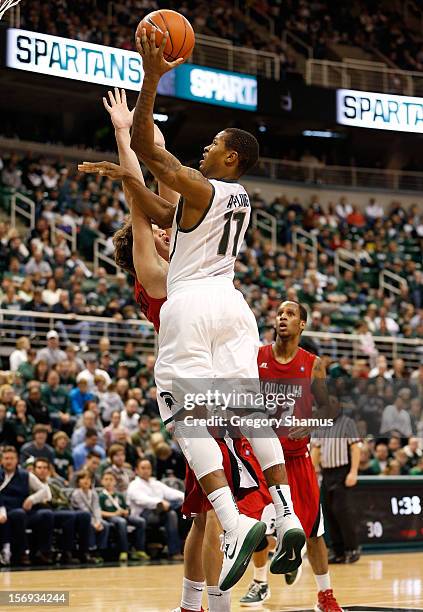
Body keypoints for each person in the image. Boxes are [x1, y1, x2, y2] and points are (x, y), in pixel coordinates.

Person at [80, 42, 305, 588]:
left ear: (229, 157)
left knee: (185, 414)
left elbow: (151, 155)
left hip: (194, 304)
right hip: (234, 305)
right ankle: (286, 512)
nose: (203, 149)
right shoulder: (234, 200)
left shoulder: (201, 187)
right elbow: (156, 206)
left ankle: (233, 524)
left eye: (211, 145)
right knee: (249, 413)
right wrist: (125, 175)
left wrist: (150, 79)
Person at [240, 301, 342, 611]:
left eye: (291, 314)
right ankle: (259, 583)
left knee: (313, 529)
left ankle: (325, 595)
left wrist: (310, 422)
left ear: (301, 325)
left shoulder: (312, 364)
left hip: (297, 458)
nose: (283, 317)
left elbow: (329, 408)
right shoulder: (256, 358)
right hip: (262, 457)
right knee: (256, 523)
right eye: (280, 313)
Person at [311, 400, 361, 564]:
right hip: (327, 473)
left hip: (343, 471)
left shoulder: (348, 423)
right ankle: (337, 550)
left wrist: (353, 472)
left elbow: (355, 448)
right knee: (329, 513)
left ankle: (352, 548)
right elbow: (316, 449)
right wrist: (312, 471)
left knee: (343, 512)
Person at [32, 458, 94, 564]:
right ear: (34, 470)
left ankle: (83, 552)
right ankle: (58, 552)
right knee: (66, 515)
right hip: (38, 513)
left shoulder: (53, 485)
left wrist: (51, 502)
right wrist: (49, 502)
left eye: (45, 468)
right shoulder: (30, 484)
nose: (42, 470)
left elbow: (64, 501)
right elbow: (35, 502)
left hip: (55, 512)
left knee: (84, 515)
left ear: (49, 470)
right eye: (39, 468)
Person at [0, 446, 53, 566]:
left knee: (46, 514)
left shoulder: (25, 475)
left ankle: (43, 552)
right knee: (19, 514)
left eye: (11, 458)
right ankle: (22, 552)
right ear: (2, 460)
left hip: (23, 510)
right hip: (5, 512)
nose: (9, 461)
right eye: (6, 458)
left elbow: (44, 490)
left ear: (17, 460)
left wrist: (32, 499)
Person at [127, 458, 184, 561]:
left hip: (160, 513)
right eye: (143, 468)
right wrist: (159, 502)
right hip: (142, 514)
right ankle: (171, 506)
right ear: (137, 470)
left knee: (172, 513)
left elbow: (170, 492)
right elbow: (141, 500)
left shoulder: (155, 483)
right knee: (171, 510)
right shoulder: (134, 485)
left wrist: (185, 497)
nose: (146, 470)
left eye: (148, 468)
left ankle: (174, 552)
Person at [99, 470, 148, 562]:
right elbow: (99, 512)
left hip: (122, 516)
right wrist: (114, 514)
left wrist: (126, 512)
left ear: (115, 482)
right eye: (106, 479)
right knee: (122, 522)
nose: (108, 482)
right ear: (102, 481)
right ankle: (124, 551)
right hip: (110, 517)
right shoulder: (101, 496)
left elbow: (126, 509)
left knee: (140, 521)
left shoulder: (119, 495)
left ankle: (140, 549)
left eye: (111, 479)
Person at [70, 470, 110, 559]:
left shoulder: (93, 493)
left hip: (94, 518)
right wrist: (93, 523)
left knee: (105, 525)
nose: (86, 481)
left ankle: (100, 550)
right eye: (83, 478)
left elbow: (97, 508)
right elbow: (84, 509)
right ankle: (90, 549)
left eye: (88, 478)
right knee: (90, 526)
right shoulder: (76, 493)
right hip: (81, 519)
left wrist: (98, 521)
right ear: (78, 481)